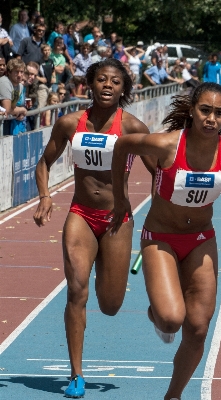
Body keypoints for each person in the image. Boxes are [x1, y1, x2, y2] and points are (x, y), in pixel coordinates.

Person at [109, 82, 221, 400]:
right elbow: (121, 146)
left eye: (219, 113)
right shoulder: (166, 145)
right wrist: (120, 198)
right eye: (205, 110)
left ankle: (173, 395)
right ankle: (156, 312)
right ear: (192, 110)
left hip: (201, 240)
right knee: (171, 319)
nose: (211, 118)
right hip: (160, 237)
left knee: (199, 327)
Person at [34, 58, 155, 398]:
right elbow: (44, 163)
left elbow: (161, 173)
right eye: (101, 79)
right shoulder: (71, 123)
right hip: (81, 215)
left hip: (117, 219)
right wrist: (45, 196)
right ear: (90, 83)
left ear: (123, 89)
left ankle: (155, 304)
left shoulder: (133, 127)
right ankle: (76, 374)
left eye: (115, 82)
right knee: (77, 290)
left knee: (111, 304)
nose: (107, 85)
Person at [0, 59, 28, 135]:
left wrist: (18, 113)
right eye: (16, 72)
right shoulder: (4, 82)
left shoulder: (20, 86)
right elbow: (7, 109)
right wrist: (21, 109)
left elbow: (13, 107)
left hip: (6, 122)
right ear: (9, 72)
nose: (19, 75)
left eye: (21, 72)